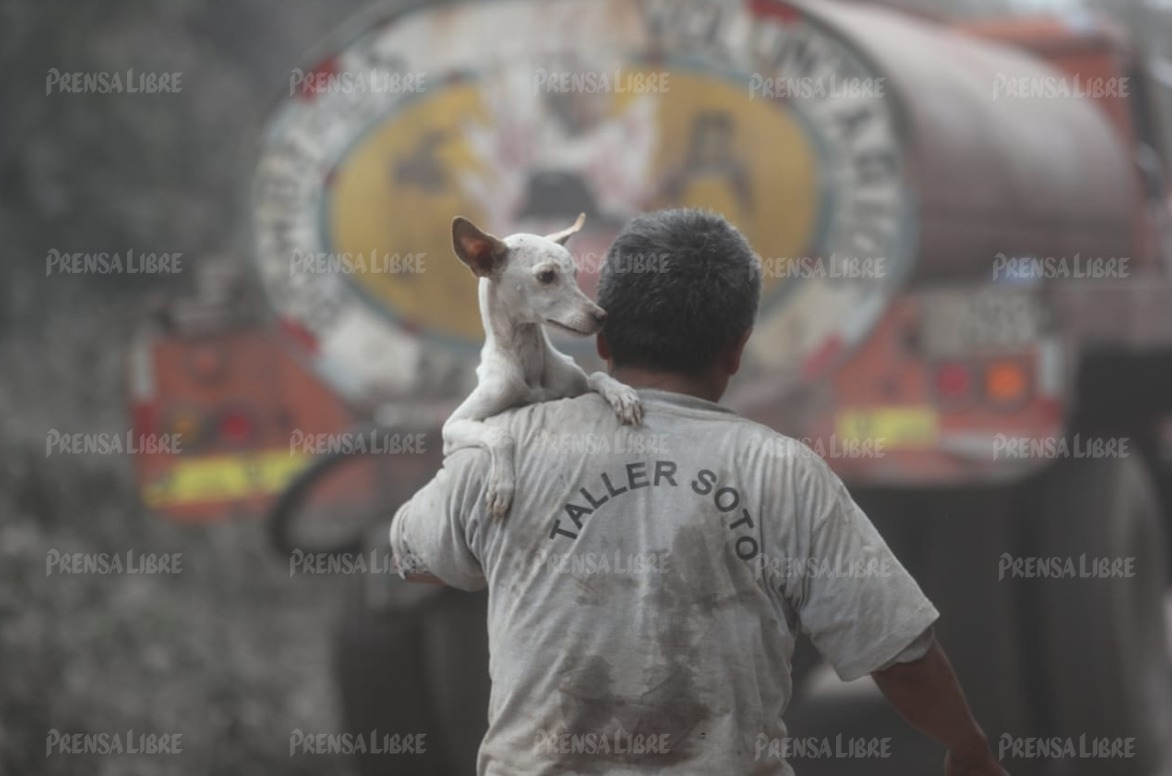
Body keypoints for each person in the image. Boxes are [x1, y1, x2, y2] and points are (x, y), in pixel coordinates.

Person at [389, 209, 1007, 775]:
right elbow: (899, 653)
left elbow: (412, 562)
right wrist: (969, 747)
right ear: (737, 349)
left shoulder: (504, 450)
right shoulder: (782, 471)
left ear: (602, 341)